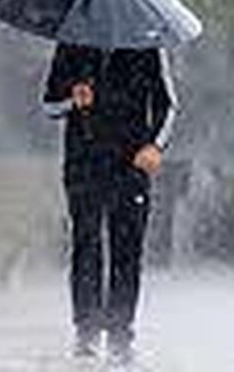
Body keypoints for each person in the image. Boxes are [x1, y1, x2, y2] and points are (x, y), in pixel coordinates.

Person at [41, 42, 176, 363]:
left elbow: (167, 105)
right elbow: (48, 104)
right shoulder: (72, 44)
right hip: (83, 163)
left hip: (131, 164)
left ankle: (120, 335)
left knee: (127, 249)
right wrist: (72, 100)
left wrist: (155, 146)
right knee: (86, 244)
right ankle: (86, 332)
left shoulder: (147, 44)